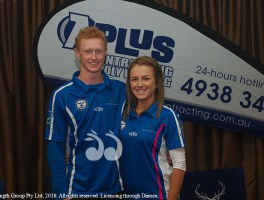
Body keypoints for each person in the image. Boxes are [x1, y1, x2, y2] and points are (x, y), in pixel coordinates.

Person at [45, 26, 126, 199]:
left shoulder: (121, 91)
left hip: (116, 189)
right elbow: (55, 146)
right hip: (77, 191)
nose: (94, 57)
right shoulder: (62, 95)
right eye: (88, 51)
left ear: (105, 52)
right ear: (77, 53)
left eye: (99, 51)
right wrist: (61, 194)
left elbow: (145, 121)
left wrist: (164, 147)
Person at [120, 56, 186, 200]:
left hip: (160, 195)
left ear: (157, 83)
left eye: (146, 78)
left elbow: (180, 164)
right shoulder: (123, 114)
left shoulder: (168, 116)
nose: (139, 84)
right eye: (134, 79)